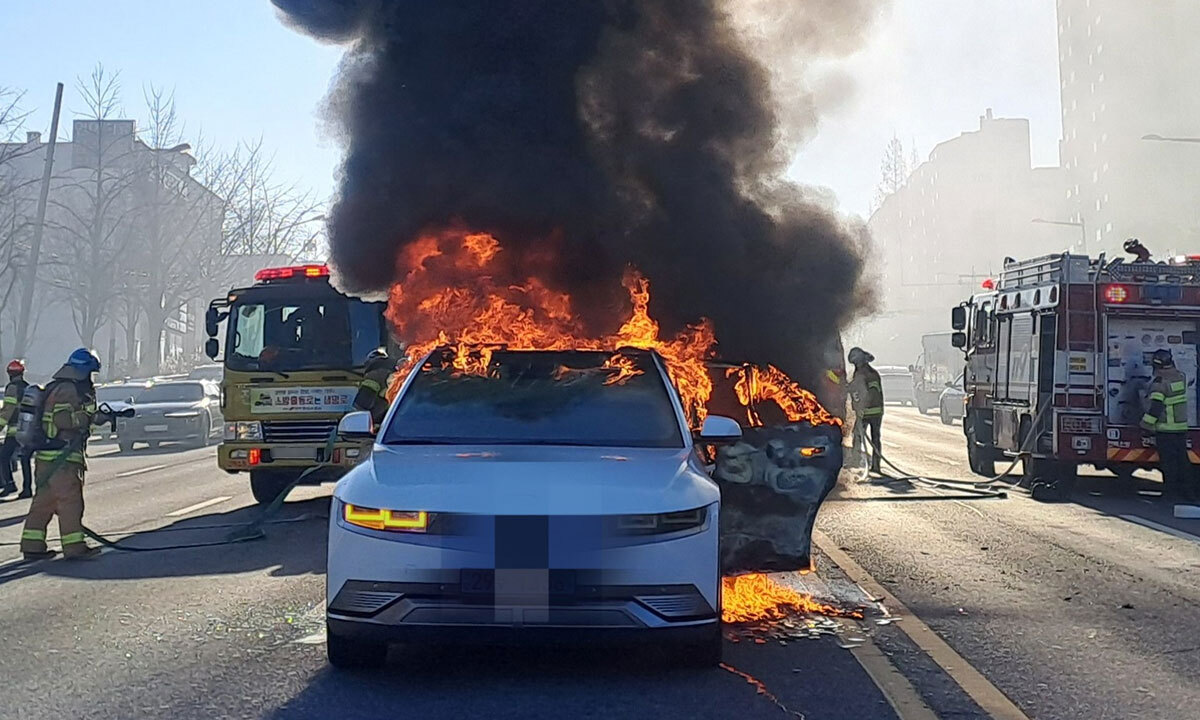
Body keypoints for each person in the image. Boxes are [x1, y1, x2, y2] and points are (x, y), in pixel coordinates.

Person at [19, 348, 114, 560]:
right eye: (90, 373)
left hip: (46, 458)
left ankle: (32, 545)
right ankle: (74, 547)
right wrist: (89, 418)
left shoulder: (55, 386)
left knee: (44, 503)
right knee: (70, 502)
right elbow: (63, 419)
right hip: (63, 458)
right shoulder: (68, 389)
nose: (91, 379)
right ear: (82, 372)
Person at [1141, 349, 1194, 502]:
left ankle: (1170, 494)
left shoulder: (1159, 383)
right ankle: (1188, 494)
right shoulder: (1180, 376)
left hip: (1166, 430)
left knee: (1169, 464)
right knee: (1183, 463)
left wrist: (1145, 424)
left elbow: (1156, 408)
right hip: (1181, 429)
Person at [848, 347, 884, 474]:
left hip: (866, 411)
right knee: (875, 438)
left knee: (857, 435)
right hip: (877, 411)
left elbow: (858, 390)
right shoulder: (873, 373)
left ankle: (855, 461)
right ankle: (876, 465)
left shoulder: (862, 374)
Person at [0, 359, 32, 498]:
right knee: (25, 459)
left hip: (14, 431)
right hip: (28, 430)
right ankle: (27, 488)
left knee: (4, 456)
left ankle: (9, 485)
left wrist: (0, 425)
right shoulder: (28, 387)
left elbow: (8, 409)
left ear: (10, 374)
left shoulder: (12, 388)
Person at [353, 348, 393, 429]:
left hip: (379, 424)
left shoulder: (374, 376)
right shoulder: (397, 374)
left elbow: (362, 403)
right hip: (394, 420)